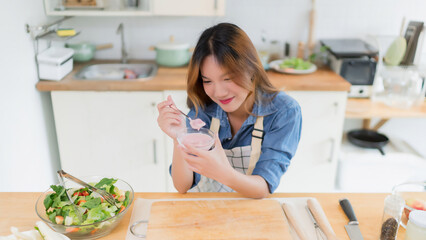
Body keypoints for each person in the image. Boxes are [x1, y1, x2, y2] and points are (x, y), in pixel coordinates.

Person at [157, 23, 302, 198]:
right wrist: (179, 137)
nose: (218, 93)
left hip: (250, 213)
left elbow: (263, 188)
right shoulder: (204, 107)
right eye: (208, 81)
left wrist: (223, 172)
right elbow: (182, 186)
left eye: (228, 78)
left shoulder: (284, 112)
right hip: (205, 211)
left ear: (251, 68)